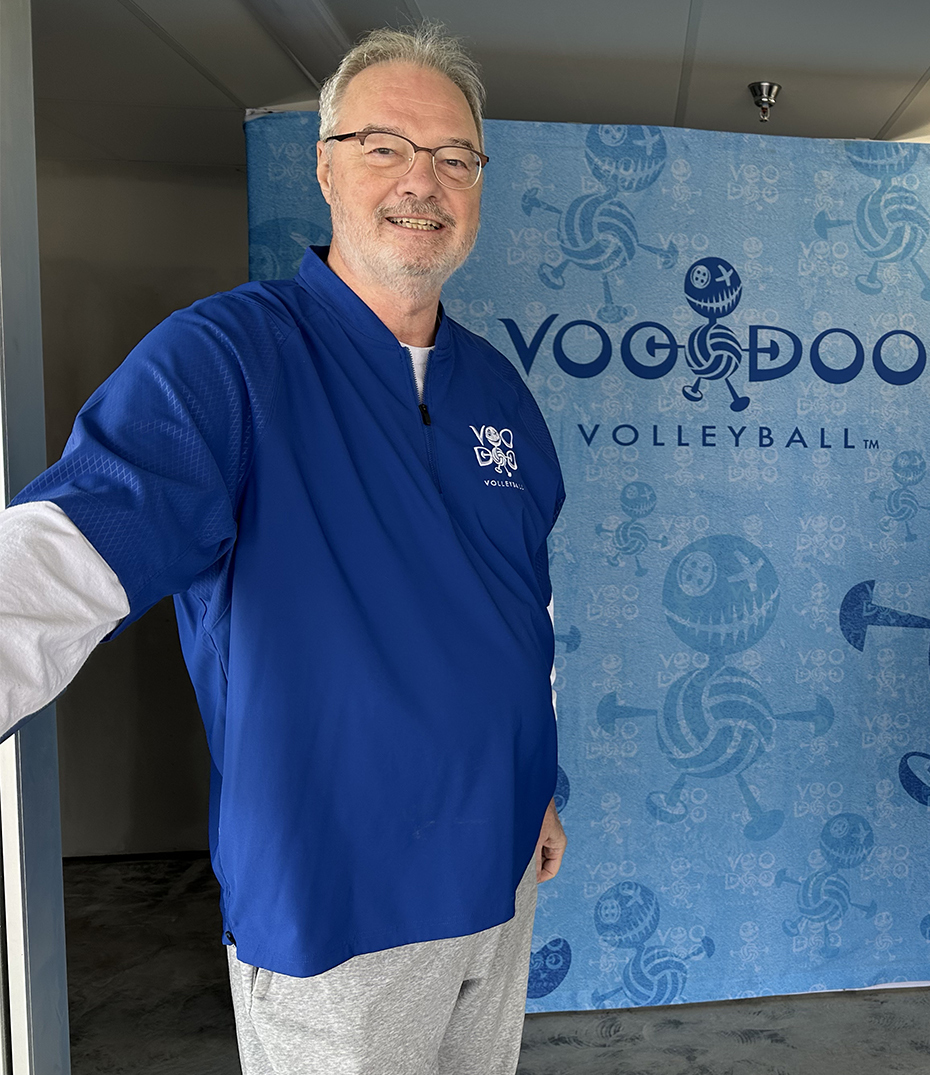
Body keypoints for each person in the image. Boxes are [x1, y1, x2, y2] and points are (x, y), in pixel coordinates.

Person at [0, 25, 567, 1075]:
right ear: (326, 165)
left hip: (498, 872)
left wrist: (540, 783)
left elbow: (521, 609)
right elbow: (69, 546)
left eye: (453, 156)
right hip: (335, 898)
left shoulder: (500, 395)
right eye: (383, 146)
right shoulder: (226, 361)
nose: (421, 180)